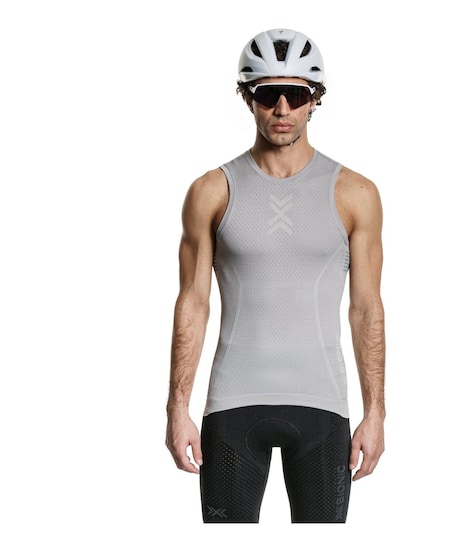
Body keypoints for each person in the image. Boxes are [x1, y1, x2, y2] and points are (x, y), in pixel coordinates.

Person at [165, 28, 385, 523]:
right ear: (248, 98)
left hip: (323, 405)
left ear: (315, 99)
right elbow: (193, 303)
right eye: (268, 94)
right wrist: (177, 408)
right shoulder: (211, 191)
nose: (282, 108)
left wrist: (376, 413)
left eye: (296, 95)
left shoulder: (355, 193)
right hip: (232, 405)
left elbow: (366, 309)